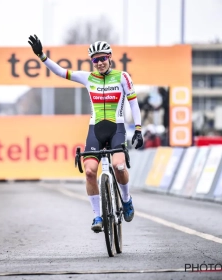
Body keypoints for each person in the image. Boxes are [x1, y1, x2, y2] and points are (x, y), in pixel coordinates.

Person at [28, 35, 143, 233]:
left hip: (117, 129)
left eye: (103, 58)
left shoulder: (123, 77)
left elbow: (133, 103)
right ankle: (97, 215)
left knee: (119, 165)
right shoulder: (87, 77)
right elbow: (61, 72)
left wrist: (139, 129)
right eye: (95, 60)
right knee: (89, 171)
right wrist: (41, 56)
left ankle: (126, 200)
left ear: (110, 57)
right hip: (95, 130)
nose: (99, 63)